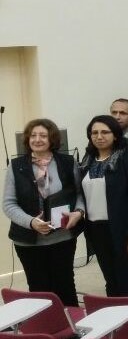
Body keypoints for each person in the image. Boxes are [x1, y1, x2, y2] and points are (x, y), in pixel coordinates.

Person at [4, 119, 84, 306]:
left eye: (43, 135)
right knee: (38, 289)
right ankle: (45, 330)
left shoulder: (66, 162)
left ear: (52, 139)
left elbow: (79, 194)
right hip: (27, 240)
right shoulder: (16, 166)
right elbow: (8, 204)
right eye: (33, 135)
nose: (37, 139)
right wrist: (31, 222)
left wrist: (78, 212)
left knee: (65, 285)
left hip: (62, 237)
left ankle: (71, 330)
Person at [79, 115, 128, 297]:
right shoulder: (87, 161)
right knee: (111, 279)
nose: (99, 136)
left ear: (115, 135)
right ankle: (114, 319)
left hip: (123, 230)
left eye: (104, 132)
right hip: (96, 229)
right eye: (94, 132)